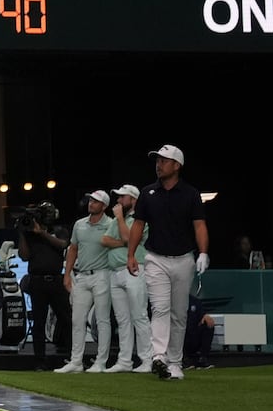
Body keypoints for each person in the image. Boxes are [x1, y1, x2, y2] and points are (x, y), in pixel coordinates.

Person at [128, 144, 209, 381]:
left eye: (164, 161)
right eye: (157, 160)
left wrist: (203, 252)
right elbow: (138, 225)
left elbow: (199, 225)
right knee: (160, 307)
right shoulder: (147, 193)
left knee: (179, 313)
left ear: (177, 165)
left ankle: (175, 362)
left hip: (184, 259)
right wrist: (131, 255)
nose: (158, 164)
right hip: (156, 259)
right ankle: (159, 356)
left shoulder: (191, 194)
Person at [56, 190, 122, 373]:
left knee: (102, 320)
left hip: (102, 274)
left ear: (104, 206)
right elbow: (73, 249)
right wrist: (67, 273)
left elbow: (122, 242)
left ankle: (101, 361)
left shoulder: (111, 224)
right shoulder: (79, 224)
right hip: (82, 275)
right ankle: (76, 361)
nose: (91, 203)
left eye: (96, 201)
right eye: (91, 200)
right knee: (77, 319)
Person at [19, 202, 72, 369]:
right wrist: (22, 233)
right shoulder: (29, 233)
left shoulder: (59, 230)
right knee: (38, 323)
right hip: (37, 281)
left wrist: (41, 233)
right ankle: (39, 361)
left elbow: (62, 245)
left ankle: (72, 357)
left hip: (56, 280)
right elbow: (24, 256)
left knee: (66, 320)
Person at [108, 184, 147, 372]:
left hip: (135, 269)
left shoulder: (141, 218)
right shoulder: (118, 219)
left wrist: (120, 220)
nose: (118, 200)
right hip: (115, 272)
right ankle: (125, 361)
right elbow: (104, 240)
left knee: (139, 316)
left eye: (122, 197)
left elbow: (129, 237)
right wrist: (122, 241)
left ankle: (147, 359)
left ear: (133, 199)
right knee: (122, 320)